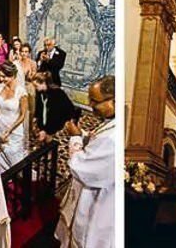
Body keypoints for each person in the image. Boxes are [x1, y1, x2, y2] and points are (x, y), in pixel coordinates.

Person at [57, 76, 116, 247]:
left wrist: (75, 137)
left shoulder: (112, 138)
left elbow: (80, 167)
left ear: (113, 100)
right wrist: (83, 135)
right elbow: (97, 144)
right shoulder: (111, 124)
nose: (90, 105)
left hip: (97, 207)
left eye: (95, 101)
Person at [0, 64, 29, 170]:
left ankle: (18, 174)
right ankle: (2, 176)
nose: (1, 79)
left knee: (14, 157)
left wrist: (10, 130)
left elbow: (23, 115)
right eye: (0, 76)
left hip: (14, 129)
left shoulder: (21, 93)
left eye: (4, 76)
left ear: (13, 76)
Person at [33, 71, 74, 143]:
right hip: (46, 122)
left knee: (50, 143)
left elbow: (55, 115)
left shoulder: (57, 93)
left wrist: (46, 130)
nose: (35, 88)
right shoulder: (40, 93)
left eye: (36, 86)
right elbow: (39, 108)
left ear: (43, 83)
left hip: (56, 125)